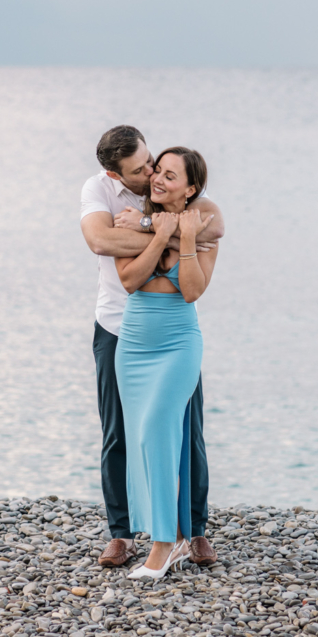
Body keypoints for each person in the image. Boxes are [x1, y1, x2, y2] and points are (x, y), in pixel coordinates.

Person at [79, 126, 224, 569]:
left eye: (153, 164)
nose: (150, 173)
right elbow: (101, 241)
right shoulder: (100, 191)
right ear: (114, 173)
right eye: (142, 169)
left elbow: (214, 227)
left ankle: (193, 530)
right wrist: (169, 232)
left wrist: (151, 225)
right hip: (117, 328)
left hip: (174, 335)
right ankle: (121, 533)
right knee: (119, 434)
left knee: (187, 432)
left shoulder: (178, 200)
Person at [115, 146, 218, 579]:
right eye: (158, 170)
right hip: (134, 342)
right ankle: (166, 533)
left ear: (190, 188)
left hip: (178, 342)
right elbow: (128, 279)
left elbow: (192, 291)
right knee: (142, 439)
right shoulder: (129, 217)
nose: (157, 178)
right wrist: (158, 233)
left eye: (170, 176)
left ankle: (165, 545)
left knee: (159, 426)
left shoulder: (205, 226)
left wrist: (187, 237)